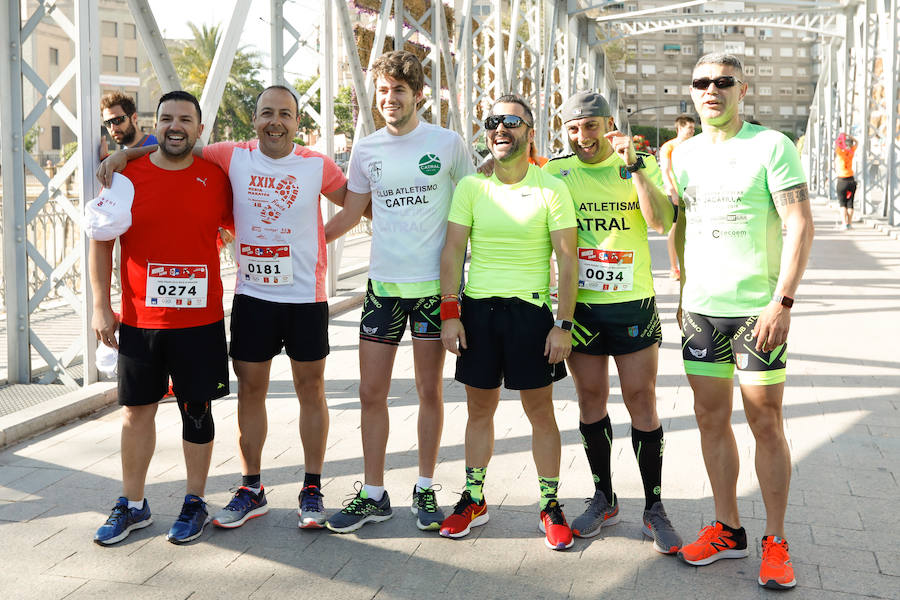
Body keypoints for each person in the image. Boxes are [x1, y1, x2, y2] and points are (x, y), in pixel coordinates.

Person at [97, 86, 349, 531]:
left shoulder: (300, 165)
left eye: (285, 114)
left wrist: (320, 239)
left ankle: (307, 487)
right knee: (229, 395)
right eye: (266, 112)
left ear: (296, 121)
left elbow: (357, 200)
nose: (276, 121)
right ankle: (239, 489)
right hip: (237, 301)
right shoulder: (226, 157)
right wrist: (126, 155)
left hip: (290, 300)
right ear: (253, 120)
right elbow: (170, 145)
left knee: (296, 392)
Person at [672, 53, 815, 590]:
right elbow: (678, 225)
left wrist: (783, 301)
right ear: (692, 93)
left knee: (765, 423)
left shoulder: (770, 146)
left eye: (723, 82)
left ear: (741, 89)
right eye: (702, 83)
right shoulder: (682, 155)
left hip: (758, 312)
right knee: (710, 420)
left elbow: (800, 223)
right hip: (702, 311)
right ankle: (728, 529)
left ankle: (775, 541)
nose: (712, 90)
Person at [323, 51, 473, 533]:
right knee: (371, 392)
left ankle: (425, 488)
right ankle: (372, 493)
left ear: (419, 95)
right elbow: (349, 215)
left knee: (429, 390)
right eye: (383, 91)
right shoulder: (366, 150)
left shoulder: (448, 144)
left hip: (433, 290)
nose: (389, 99)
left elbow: (471, 210)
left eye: (399, 91)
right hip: (383, 289)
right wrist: (295, 240)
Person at [87, 91, 233, 545]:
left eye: (185, 119)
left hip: (201, 322)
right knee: (136, 412)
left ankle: (194, 502)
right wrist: (99, 304)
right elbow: (101, 239)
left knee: (196, 410)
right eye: (166, 118)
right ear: (155, 123)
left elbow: (245, 222)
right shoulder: (127, 174)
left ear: (200, 129)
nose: (175, 126)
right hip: (140, 320)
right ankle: (133, 505)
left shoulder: (218, 175)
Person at [543, 91, 681, 554]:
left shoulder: (640, 164)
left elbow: (661, 222)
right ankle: (604, 496)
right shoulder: (556, 171)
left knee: (641, 400)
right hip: (582, 306)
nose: (582, 137)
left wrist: (637, 167)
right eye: (573, 128)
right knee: (590, 400)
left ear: (608, 125)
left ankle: (655, 507)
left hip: (632, 302)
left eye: (591, 126)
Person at [438, 94, 579, 551]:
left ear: (530, 131)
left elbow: (568, 259)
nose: (501, 129)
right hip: (479, 313)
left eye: (512, 122)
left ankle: (549, 504)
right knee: (480, 410)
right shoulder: (472, 188)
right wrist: (450, 314)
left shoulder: (550, 188)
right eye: (493, 121)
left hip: (531, 314)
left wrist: (564, 324)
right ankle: (474, 498)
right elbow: (454, 251)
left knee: (540, 413)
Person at [658, 115, 696, 280]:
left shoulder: (697, 146)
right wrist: (672, 191)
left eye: (694, 128)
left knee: (695, 229)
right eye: (690, 128)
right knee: (675, 229)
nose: (693, 131)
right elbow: (665, 171)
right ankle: (674, 268)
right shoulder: (669, 147)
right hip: (676, 192)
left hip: (694, 191)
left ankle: (692, 267)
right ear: (680, 128)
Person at [100, 92, 157, 158]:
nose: (113, 128)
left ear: (134, 118)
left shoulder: (160, 147)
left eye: (118, 120)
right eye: (107, 123)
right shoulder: (122, 156)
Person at [835, 132, 858, 230]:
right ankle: (850, 224)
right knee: (850, 203)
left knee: (842, 203)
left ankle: (844, 223)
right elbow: (857, 142)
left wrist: (842, 137)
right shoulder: (851, 152)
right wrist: (850, 136)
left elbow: (837, 143)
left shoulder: (840, 153)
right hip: (851, 180)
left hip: (842, 180)